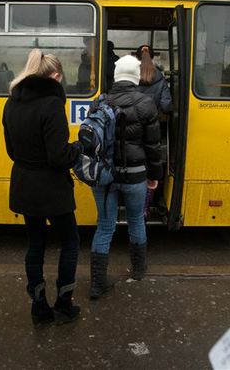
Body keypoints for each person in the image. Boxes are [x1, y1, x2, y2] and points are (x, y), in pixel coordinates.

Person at [2, 49, 83, 325]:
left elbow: (11, 151)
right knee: (70, 242)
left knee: (35, 244)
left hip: (24, 184)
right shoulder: (51, 105)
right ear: (56, 76)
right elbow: (58, 157)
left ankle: (38, 307)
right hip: (52, 188)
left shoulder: (11, 103)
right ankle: (64, 303)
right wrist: (79, 148)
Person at [89, 55, 163, 300]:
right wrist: (154, 176)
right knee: (136, 221)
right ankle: (139, 270)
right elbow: (153, 146)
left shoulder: (99, 102)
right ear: (135, 76)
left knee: (105, 226)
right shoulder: (146, 103)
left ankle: (97, 283)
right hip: (135, 174)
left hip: (105, 177)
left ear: (116, 75)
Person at [135, 45, 172, 219]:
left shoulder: (131, 78)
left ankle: (132, 207)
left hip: (132, 129)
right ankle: (145, 208)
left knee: (134, 167)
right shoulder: (161, 79)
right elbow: (166, 105)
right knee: (151, 168)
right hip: (153, 129)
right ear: (153, 57)